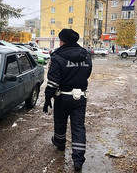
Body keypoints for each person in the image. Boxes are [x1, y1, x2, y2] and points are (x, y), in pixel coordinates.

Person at [43, 28, 92, 171]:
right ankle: (78, 160)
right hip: (80, 97)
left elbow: (53, 81)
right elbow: (87, 73)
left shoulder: (58, 56)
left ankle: (59, 143)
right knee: (78, 127)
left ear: (62, 41)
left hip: (62, 96)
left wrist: (47, 98)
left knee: (60, 122)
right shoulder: (86, 55)